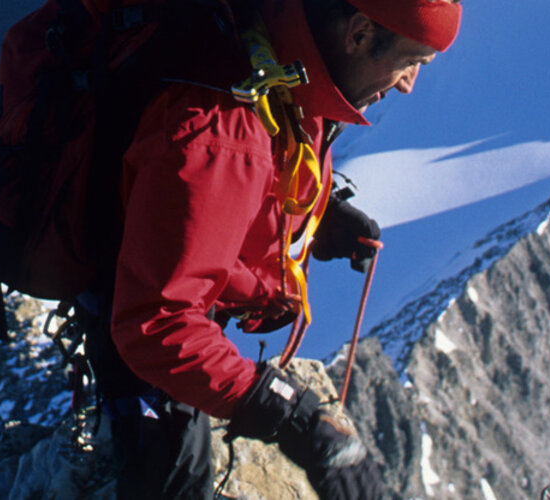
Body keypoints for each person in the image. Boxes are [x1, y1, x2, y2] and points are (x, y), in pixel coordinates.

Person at [76, 0, 463, 497]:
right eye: (412, 62)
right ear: (361, 34)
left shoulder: (288, 52)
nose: (409, 84)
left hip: (162, 271)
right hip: (141, 317)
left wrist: (315, 219)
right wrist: (296, 417)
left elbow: (243, 176)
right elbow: (157, 322)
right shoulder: (224, 130)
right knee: (173, 479)